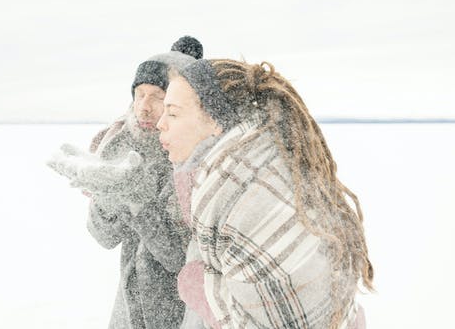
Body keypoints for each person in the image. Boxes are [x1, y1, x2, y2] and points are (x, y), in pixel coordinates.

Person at [156, 59, 373, 329]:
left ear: (213, 119)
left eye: (173, 113)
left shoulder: (242, 196)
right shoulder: (265, 163)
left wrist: (201, 289)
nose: (160, 123)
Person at [86, 36, 204, 329]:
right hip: (128, 312)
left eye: (158, 96)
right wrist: (108, 191)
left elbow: (182, 259)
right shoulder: (122, 146)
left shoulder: (195, 162)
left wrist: (138, 203)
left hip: (180, 314)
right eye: (139, 94)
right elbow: (103, 236)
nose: (145, 107)